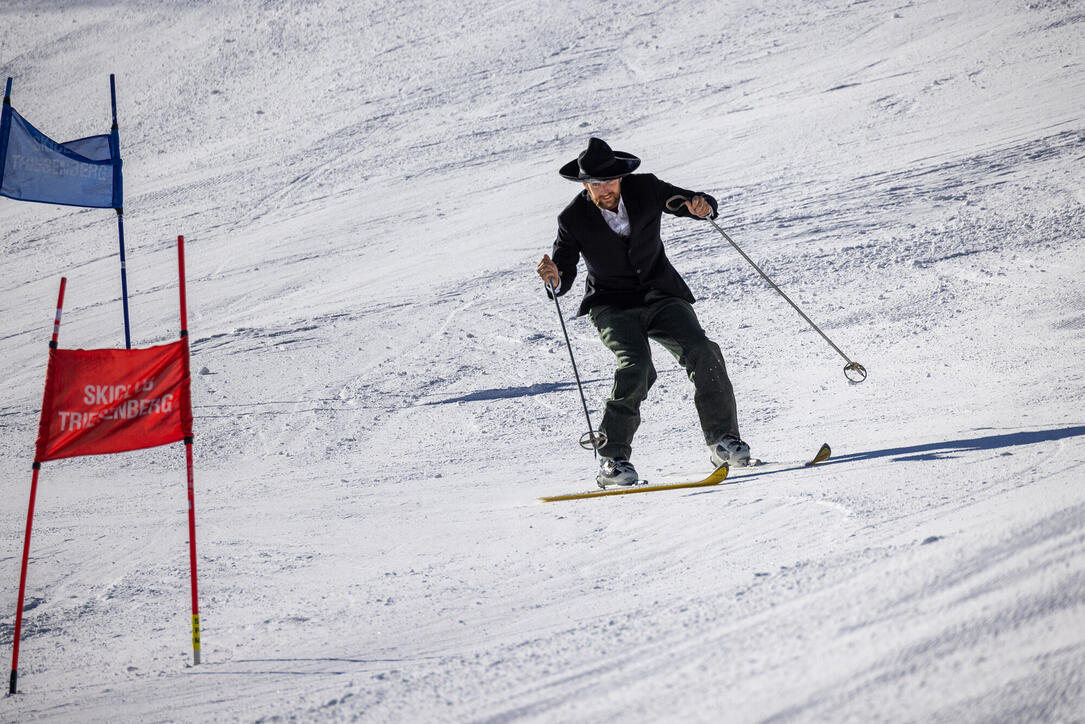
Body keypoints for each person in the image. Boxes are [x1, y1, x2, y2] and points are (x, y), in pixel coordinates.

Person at [536, 137, 750, 488]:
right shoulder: (573, 218)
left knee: (702, 350)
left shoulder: (645, 188)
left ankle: (723, 442)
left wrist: (702, 207)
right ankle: (612, 460)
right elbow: (564, 269)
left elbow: (690, 202)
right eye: (593, 184)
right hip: (611, 305)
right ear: (584, 184)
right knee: (636, 366)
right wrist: (555, 279)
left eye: (608, 182)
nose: (603, 190)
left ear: (621, 177)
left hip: (662, 295)